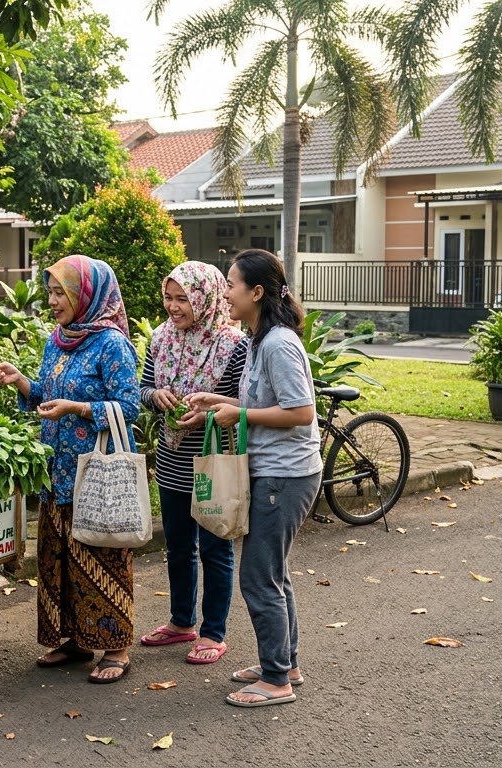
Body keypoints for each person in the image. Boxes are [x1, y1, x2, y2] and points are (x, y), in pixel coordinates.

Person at [0, 254, 141, 684]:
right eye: (51, 292)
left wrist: (77, 408)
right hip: (56, 472)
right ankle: (74, 639)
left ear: (86, 296)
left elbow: (129, 407)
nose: (53, 301)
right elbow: (45, 394)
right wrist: (21, 382)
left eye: (61, 293)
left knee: (101, 555)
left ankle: (116, 646)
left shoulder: (111, 344)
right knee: (61, 560)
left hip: (96, 472)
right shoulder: (58, 339)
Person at [187, 249, 321, 708]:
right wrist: (215, 400)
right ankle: (284, 663)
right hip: (277, 472)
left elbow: (301, 412)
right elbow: (264, 400)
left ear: (257, 292)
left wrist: (239, 413)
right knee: (274, 573)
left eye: (231, 284)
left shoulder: (279, 342)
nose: (225, 293)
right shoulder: (259, 339)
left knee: (258, 577)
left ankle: (276, 680)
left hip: (286, 475)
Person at [138, 261, 248, 665]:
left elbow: (243, 401)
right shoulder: (162, 339)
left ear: (205, 297)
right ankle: (181, 621)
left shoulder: (233, 344)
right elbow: (143, 388)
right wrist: (156, 398)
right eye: (168, 297)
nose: (173, 307)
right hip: (172, 458)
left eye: (182, 298)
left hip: (213, 459)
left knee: (216, 547)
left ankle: (214, 632)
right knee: (178, 546)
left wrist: (207, 414)